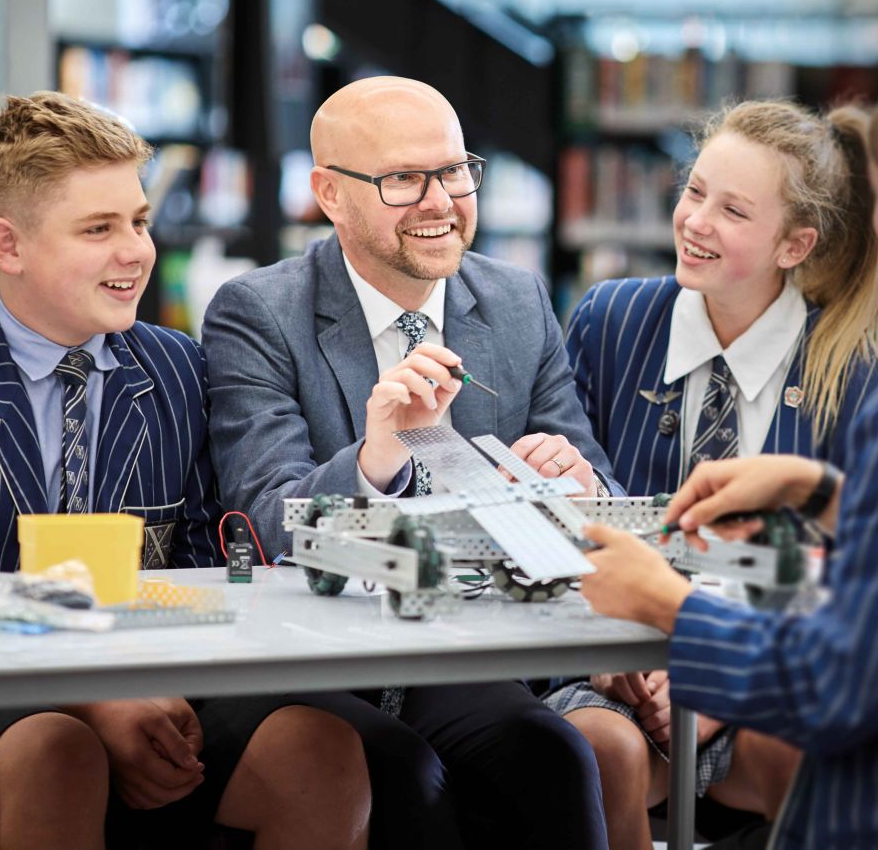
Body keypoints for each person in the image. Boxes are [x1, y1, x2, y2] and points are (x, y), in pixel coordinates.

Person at [202, 75, 620, 849]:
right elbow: (264, 521)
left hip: (468, 651)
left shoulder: (517, 300)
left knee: (557, 755)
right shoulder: (257, 312)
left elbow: (599, 496)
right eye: (403, 179)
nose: (441, 201)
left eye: (456, 170)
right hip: (318, 656)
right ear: (330, 194)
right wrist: (378, 454)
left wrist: (577, 482)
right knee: (408, 777)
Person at [0, 92, 370, 850]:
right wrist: (90, 698)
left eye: (140, 221)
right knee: (58, 752)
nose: (135, 251)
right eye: (98, 228)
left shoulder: (179, 368)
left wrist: (157, 679)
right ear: (8, 245)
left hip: (160, 674)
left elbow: (214, 556)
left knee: (322, 752)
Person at [579, 62, 878, 849]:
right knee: (603, 751)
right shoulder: (611, 321)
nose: (697, 220)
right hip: (612, 668)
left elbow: (844, 668)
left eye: (735, 210)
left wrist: (682, 630)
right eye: (694, 191)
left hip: (767, 680)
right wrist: (825, 492)